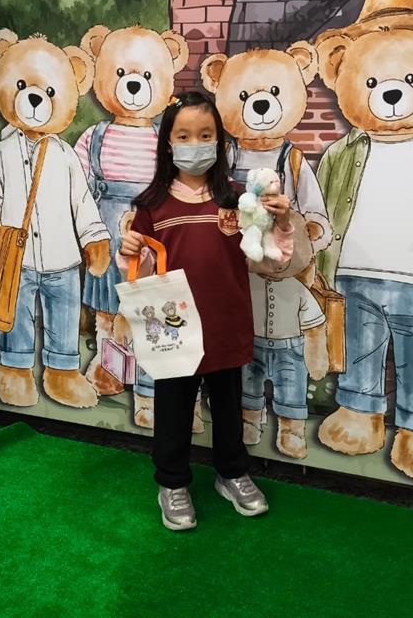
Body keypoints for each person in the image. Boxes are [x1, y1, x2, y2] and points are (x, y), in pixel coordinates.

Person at [117, 91, 294, 531]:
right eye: (183, 136)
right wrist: (130, 249)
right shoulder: (151, 205)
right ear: (168, 143)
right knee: (173, 409)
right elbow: (138, 270)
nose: (194, 144)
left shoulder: (238, 200)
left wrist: (282, 221)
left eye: (205, 134)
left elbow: (273, 259)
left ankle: (232, 473)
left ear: (219, 141)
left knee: (229, 405)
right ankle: (172, 482)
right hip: (173, 331)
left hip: (225, 324)